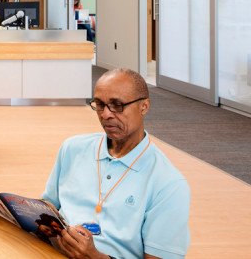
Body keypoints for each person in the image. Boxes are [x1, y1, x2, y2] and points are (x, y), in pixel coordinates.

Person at [42, 68, 190, 259]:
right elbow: (48, 206)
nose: (105, 115)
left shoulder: (169, 184)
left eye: (117, 105)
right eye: (100, 105)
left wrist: (95, 257)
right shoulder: (72, 148)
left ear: (144, 106)